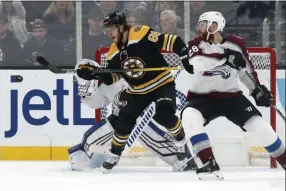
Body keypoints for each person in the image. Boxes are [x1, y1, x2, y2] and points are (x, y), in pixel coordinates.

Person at [76, 11, 194, 173]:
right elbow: (112, 77)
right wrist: (95, 74)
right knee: (124, 120)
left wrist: (183, 55)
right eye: (107, 30)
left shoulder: (141, 33)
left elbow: (172, 41)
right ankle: (115, 155)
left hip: (161, 83)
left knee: (164, 115)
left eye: (111, 29)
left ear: (121, 26)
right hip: (137, 91)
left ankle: (180, 143)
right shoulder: (113, 51)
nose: (109, 33)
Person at [180, 11, 286, 180]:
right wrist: (225, 58)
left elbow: (245, 71)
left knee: (260, 126)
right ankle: (208, 164)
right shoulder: (195, 44)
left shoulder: (237, 44)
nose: (198, 26)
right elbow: (198, 63)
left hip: (231, 97)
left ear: (214, 26)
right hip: (202, 98)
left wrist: (257, 90)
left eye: (202, 23)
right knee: (189, 116)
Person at [68, 59, 197, 172]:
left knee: (148, 133)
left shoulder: (114, 73)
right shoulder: (103, 85)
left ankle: (184, 158)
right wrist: (86, 96)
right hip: (124, 116)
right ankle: (91, 154)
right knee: (89, 144)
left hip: (142, 110)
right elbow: (97, 103)